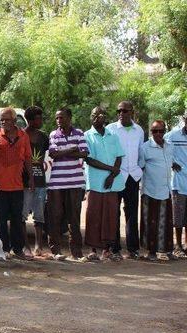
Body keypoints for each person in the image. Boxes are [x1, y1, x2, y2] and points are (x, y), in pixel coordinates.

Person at [0, 107, 34, 259]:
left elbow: (27, 158)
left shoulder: (23, 136)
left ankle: (18, 249)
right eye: (1, 120)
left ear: (14, 121)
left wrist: (31, 178)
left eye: (7, 119)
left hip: (17, 185)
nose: (4, 122)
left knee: (16, 218)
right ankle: (4, 249)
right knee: (0, 219)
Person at [84, 107, 125, 261]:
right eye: (94, 114)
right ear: (91, 117)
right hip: (95, 182)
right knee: (93, 215)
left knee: (110, 215)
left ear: (105, 117)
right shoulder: (87, 136)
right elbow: (89, 159)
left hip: (112, 183)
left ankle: (107, 250)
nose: (98, 117)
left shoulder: (113, 135)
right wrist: (111, 170)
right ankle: (93, 249)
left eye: (101, 114)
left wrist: (112, 175)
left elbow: (119, 156)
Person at [47, 107, 89, 261]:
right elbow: (53, 154)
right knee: (55, 217)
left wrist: (62, 152)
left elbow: (84, 153)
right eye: (57, 118)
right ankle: (56, 251)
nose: (59, 121)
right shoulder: (53, 134)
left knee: (74, 218)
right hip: (56, 183)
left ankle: (76, 252)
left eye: (62, 118)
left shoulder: (79, 133)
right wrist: (72, 148)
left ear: (69, 118)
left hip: (75, 181)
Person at [106, 101, 144, 259]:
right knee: (114, 212)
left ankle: (133, 248)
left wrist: (139, 170)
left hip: (132, 177)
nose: (121, 113)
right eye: (119, 111)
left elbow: (141, 151)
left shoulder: (139, 130)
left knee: (132, 213)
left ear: (132, 112)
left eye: (125, 111)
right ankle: (115, 248)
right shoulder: (111, 129)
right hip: (116, 176)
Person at [139, 120, 175, 261]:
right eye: (155, 131)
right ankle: (151, 252)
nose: (158, 134)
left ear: (164, 131)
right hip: (150, 190)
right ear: (151, 132)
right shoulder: (145, 147)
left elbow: (169, 161)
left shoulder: (169, 146)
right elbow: (140, 166)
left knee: (166, 222)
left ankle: (166, 250)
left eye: (161, 131)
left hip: (166, 189)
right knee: (150, 222)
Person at [22, 106, 49, 258]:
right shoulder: (21, 135)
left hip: (40, 181)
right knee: (23, 215)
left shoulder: (43, 137)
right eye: (38, 118)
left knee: (39, 215)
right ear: (30, 120)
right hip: (24, 182)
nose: (41, 121)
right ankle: (26, 247)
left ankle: (38, 246)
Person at [166, 110, 187, 257]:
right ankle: (178, 245)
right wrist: (171, 161)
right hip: (179, 183)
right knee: (178, 217)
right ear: (184, 119)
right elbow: (161, 145)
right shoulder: (173, 135)